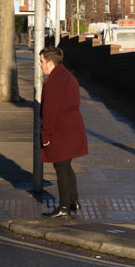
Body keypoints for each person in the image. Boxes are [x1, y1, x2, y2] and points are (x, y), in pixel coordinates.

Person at [39, 46, 88, 218]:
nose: (40, 65)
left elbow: (49, 111)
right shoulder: (67, 76)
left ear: (50, 63)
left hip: (61, 130)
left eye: (42, 61)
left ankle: (63, 207)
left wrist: (45, 135)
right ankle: (73, 202)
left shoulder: (55, 81)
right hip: (72, 128)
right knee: (66, 167)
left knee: (61, 167)